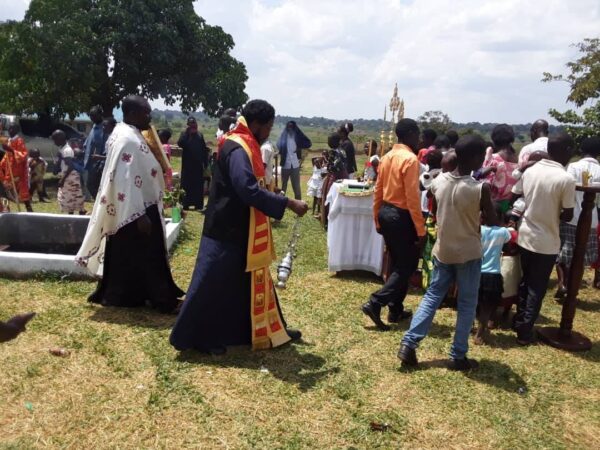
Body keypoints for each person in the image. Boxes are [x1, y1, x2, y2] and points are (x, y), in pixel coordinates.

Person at [170, 100, 309, 355]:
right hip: (226, 227)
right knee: (210, 284)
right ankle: (194, 337)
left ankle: (270, 328)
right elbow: (247, 189)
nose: (269, 132)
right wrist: (288, 202)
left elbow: (255, 184)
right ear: (256, 124)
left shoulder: (246, 143)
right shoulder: (237, 148)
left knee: (251, 282)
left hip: (244, 227)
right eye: (268, 127)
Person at [76, 95, 184, 313]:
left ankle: (124, 295)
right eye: (146, 112)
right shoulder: (127, 139)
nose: (149, 116)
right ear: (133, 114)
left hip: (136, 205)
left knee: (127, 256)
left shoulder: (127, 133)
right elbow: (124, 179)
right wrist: (139, 214)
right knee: (149, 256)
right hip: (135, 208)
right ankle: (162, 300)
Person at [399, 135, 496, 371]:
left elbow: (432, 196)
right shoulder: (479, 188)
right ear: (475, 158)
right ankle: (458, 355)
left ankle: (409, 343)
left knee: (432, 297)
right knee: (466, 304)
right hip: (468, 253)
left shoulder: (439, 180)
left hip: (443, 250)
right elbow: (493, 220)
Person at [510, 133, 576, 345]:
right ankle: (524, 332)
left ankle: (519, 320)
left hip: (525, 234)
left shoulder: (531, 170)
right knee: (536, 287)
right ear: (566, 151)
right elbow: (568, 215)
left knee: (525, 281)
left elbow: (516, 193)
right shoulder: (565, 178)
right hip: (546, 241)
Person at [361, 119, 426, 330]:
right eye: (417, 134)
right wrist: (421, 229)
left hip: (386, 213)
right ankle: (376, 302)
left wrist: (376, 216)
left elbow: (378, 190)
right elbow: (412, 198)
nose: (419, 139)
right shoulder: (410, 160)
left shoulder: (387, 157)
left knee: (398, 262)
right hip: (401, 216)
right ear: (410, 134)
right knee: (406, 265)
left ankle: (395, 309)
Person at [555, 136, 600, 298]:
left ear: (581, 150)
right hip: (592, 219)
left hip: (571, 216)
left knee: (563, 253)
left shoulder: (573, 166)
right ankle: (573, 287)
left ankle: (563, 283)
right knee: (580, 256)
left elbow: (566, 188)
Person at [474, 205, 513, 345]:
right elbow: (508, 246)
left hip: (475, 272)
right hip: (492, 275)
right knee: (487, 307)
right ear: (500, 217)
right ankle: (479, 334)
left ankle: (469, 326)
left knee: (472, 302)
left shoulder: (478, 230)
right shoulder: (503, 232)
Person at [480, 124, 519, 213]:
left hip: (493, 207)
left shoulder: (493, 159)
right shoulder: (518, 160)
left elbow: (481, 179)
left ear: (494, 139)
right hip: (512, 206)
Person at [0, 123, 33, 212]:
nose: (10, 131)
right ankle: (5, 209)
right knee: (4, 192)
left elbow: (23, 155)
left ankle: (29, 211)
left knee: (23, 195)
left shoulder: (19, 141)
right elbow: (7, 155)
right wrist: (2, 164)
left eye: (12, 129)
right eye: (9, 128)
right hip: (9, 170)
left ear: (17, 130)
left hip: (18, 171)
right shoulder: (9, 141)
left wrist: (10, 150)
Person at [178, 116, 209, 211]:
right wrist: (187, 134)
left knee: (198, 185)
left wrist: (205, 163)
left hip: (198, 166)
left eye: (194, 123)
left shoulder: (200, 135)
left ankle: (198, 204)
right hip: (187, 165)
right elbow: (180, 143)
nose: (193, 125)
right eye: (190, 124)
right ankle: (185, 204)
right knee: (186, 184)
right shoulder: (184, 134)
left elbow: (204, 149)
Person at [51, 130, 86, 215]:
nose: (54, 142)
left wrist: (62, 179)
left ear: (60, 139)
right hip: (68, 175)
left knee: (71, 197)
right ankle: (74, 215)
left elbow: (70, 166)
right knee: (71, 197)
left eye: (55, 140)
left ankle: (80, 214)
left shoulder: (67, 150)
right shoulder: (62, 149)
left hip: (70, 176)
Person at [277, 121, 312, 200]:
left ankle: (298, 202)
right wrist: (282, 151)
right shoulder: (284, 136)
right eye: (288, 128)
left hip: (295, 165)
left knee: (296, 187)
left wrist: (299, 147)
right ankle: (281, 202)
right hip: (285, 165)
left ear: (294, 128)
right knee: (283, 187)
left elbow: (308, 143)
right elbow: (278, 144)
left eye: (291, 128)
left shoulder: (297, 137)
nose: (290, 129)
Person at [320, 133, 349, 228]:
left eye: (330, 141)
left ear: (336, 142)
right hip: (343, 175)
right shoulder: (342, 151)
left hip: (336, 177)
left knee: (331, 196)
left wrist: (327, 169)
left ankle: (329, 220)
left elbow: (334, 167)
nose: (328, 143)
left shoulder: (335, 152)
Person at [84, 105, 106, 199]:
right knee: (90, 185)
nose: (92, 118)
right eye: (91, 116)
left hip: (99, 165)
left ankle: (101, 203)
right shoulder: (94, 127)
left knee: (94, 186)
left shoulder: (105, 128)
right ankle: (99, 203)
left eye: (94, 115)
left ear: (100, 114)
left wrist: (101, 164)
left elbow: (107, 147)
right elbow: (87, 143)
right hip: (90, 164)